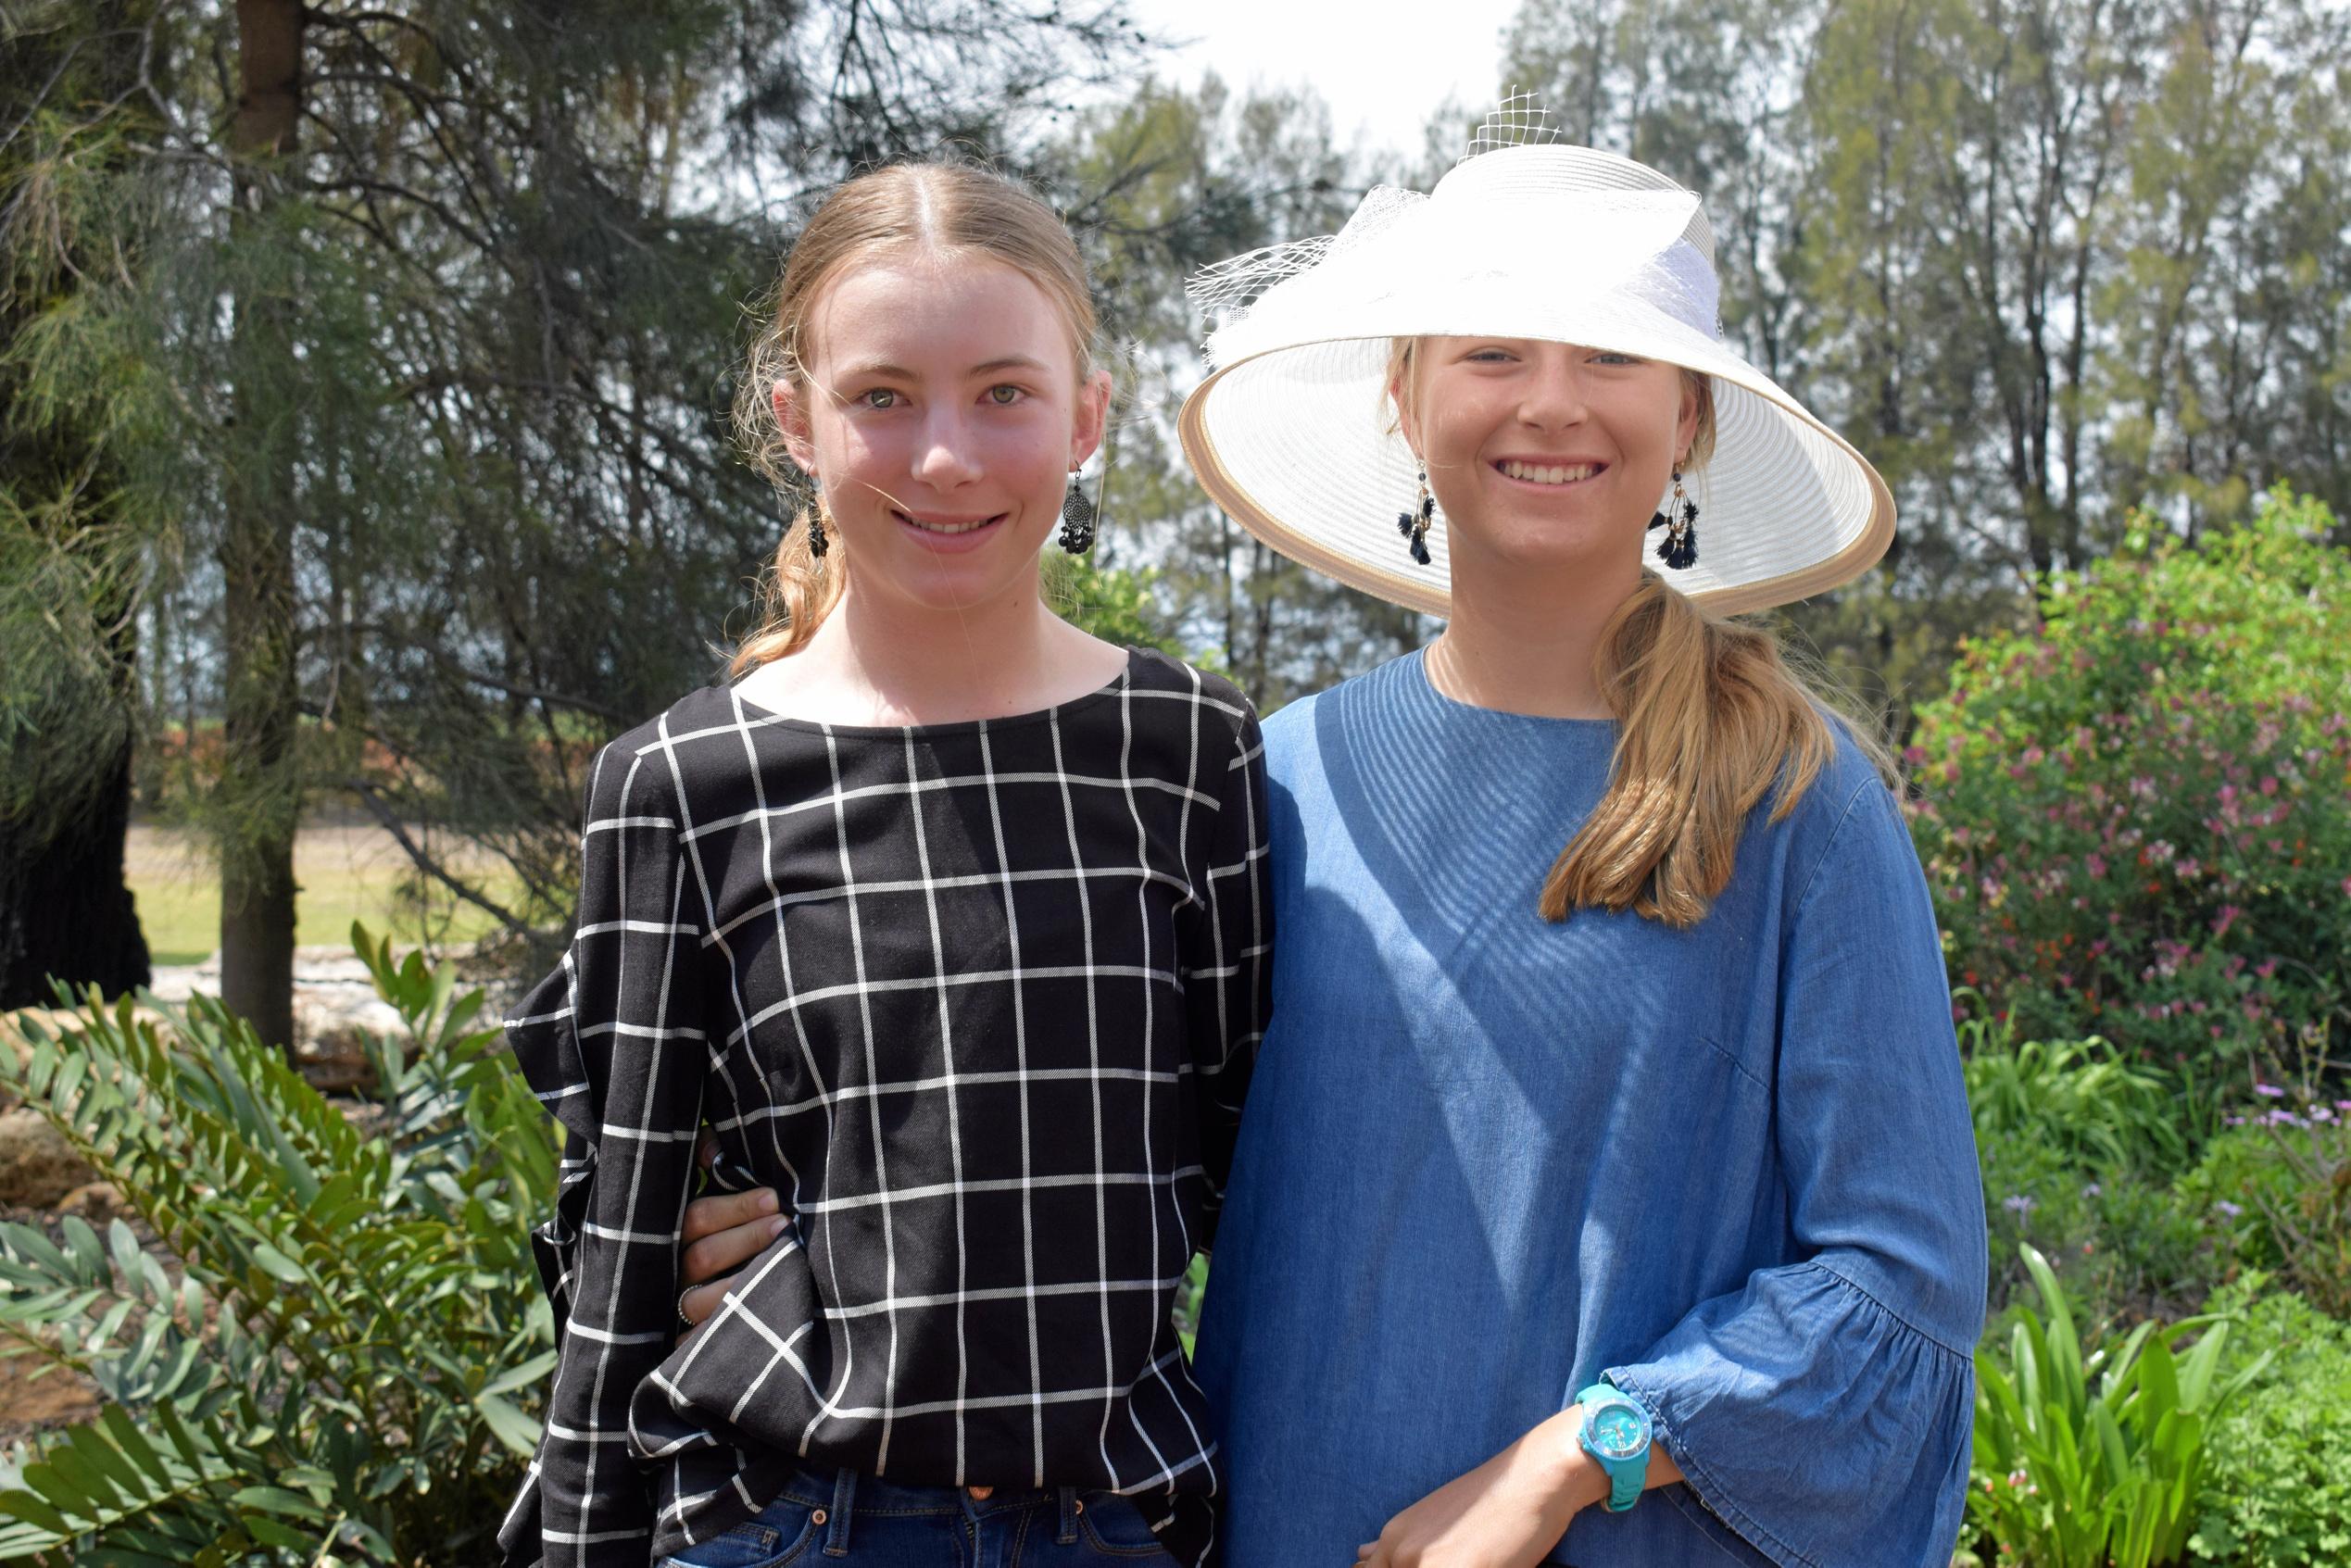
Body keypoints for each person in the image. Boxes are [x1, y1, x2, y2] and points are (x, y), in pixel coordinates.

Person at [678, 118, 1987, 1567]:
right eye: (1492, 352)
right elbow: (1088, 1138)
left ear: (1686, 421)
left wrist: (1569, 1459)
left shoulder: (1794, 801)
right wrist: (785, 1220)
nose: (1549, 404)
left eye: (1609, 358)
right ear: (1405, 397)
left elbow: (1899, 1286)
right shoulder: (1272, 779)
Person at [497, 160, 1270, 1568]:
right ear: (797, 420)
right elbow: (617, 1256)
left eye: (1004, 392)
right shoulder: (680, 785)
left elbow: (1255, 1182)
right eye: (881, 397)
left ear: (1088, 414)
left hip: (1111, 1522)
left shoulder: (1186, 748)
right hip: (788, 1520)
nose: (945, 456)